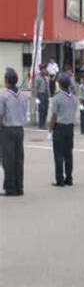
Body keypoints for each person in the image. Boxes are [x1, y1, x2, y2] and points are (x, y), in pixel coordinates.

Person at [0, 68, 28, 196]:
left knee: (8, 160)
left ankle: (10, 188)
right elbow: (24, 112)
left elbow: (0, 115)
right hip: (19, 129)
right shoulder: (23, 95)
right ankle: (19, 187)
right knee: (19, 159)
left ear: (6, 81)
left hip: (8, 129)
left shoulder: (3, 95)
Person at [49, 73, 78, 187]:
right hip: (70, 127)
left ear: (60, 84)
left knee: (58, 155)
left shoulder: (57, 98)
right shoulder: (74, 98)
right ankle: (69, 178)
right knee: (68, 154)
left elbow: (54, 116)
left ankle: (60, 180)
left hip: (60, 128)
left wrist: (50, 130)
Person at [35, 64, 50, 129]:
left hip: (46, 95)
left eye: (45, 69)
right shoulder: (37, 78)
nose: (45, 70)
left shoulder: (46, 78)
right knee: (42, 110)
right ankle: (41, 124)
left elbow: (48, 87)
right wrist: (36, 98)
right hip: (40, 95)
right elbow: (35, 88)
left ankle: (44, 123)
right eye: (44, 69)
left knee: (46, 109)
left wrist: (49, 95)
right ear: (41, 70)